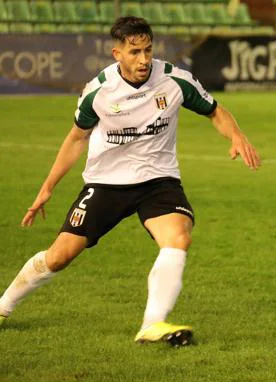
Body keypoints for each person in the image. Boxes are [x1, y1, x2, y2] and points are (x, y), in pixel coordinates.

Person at [0, 16, 260, 346]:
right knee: (58, 257)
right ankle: (3, 306)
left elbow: (215, 110)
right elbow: (77, 138)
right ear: (116, 54)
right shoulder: (99, 91)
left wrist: (235, 136)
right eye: (135, 52)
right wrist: (47, 187)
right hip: (107, 183)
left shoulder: (174, 80)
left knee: (178, 238)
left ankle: (153, 324)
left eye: (148, 50)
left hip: (158, 181)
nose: (144, 59)